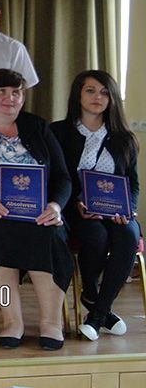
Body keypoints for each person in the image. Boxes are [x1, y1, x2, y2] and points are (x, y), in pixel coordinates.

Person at [0, 68, 70, 350]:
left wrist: (56, 206)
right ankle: (12, 322)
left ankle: (51, 323)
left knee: (49, 234)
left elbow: (63, 177)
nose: (10, 98)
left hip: (40, 209)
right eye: (2, 92)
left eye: (16, 92)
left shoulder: (38, 126)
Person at [50, 70, 139, 340]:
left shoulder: (124, 138)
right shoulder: (58, 132)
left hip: (115, 212)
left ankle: (98, 313)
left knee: (129, 234)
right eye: (90, 90)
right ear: (78, 95)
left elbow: (132, 183)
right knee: (95, 235)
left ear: (112, 99)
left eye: (104, 92)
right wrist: (76, 203)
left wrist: (128, 208)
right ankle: (91, 293)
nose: (97, 97)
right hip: (74, 211)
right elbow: (55, 178)